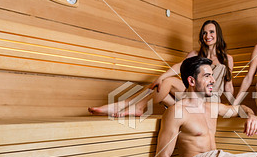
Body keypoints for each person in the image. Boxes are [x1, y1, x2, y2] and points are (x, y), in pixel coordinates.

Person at [88, 20, 234, 117]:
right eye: (204, 32)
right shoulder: (195, 54)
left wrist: (233, 107)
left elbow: (228, 87)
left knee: (167, 83)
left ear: (218, 35)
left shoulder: (227, 59)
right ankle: (125, 105)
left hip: (210, 99)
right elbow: (179, 67)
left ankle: (131, 106)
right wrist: (161, 77)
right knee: (162, 85)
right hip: (192, 96)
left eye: (211, 32)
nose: (207, 35)